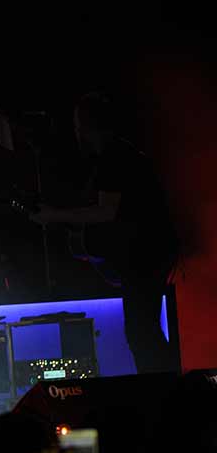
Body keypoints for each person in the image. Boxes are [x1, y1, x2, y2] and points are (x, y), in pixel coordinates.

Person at [29, 91, 180, 374]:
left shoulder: (114, 157)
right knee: (143, 330)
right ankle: (166, 387)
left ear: (86, 126)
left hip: (145, 254)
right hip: (149, 253)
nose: (76, 132)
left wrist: (53, 215)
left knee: (141, 331)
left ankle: (165, 389)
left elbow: (105, 212)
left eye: (77, 125)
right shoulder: (119, 154)